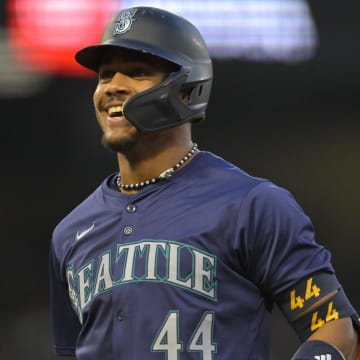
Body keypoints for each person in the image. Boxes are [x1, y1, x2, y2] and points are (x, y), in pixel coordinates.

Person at [49, 6, 360, 360]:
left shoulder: (251, 206)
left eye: (137, 73)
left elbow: (338, 331)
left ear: (185, 90)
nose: (113, 87)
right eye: (105, 76)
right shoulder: (69, 234)